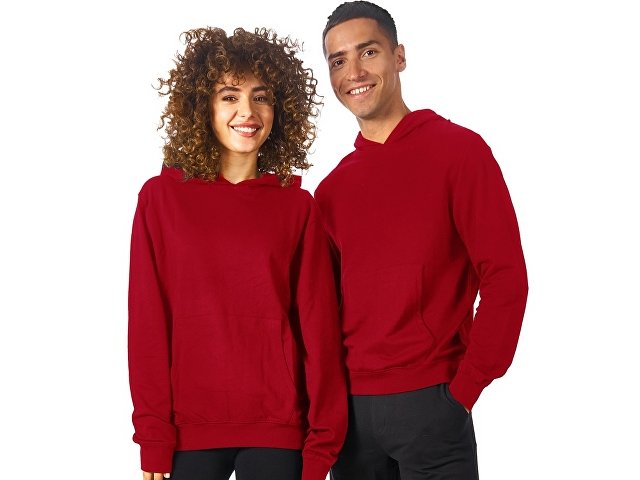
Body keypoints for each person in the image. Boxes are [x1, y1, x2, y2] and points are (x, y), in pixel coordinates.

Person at [315, 2, 529, 479]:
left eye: (368, 51)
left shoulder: (460, 153)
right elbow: (321, 312)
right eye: (338, 60)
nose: (354, 72)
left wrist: (464, 391)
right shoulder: (330, 192)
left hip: (434, 406)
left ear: (399, 56)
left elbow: (506, 278)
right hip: (350, 419)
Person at [128, 26, 347, 480]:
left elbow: (319, 331)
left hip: (279, 428)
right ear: (202, 107)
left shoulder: (296, 207)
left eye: (260, 97)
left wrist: (322, 444)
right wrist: (153, 437)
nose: (247, 112)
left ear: (279, 110)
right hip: (188, 431)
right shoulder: (161, 199)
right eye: (229, 96)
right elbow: (148, 324)